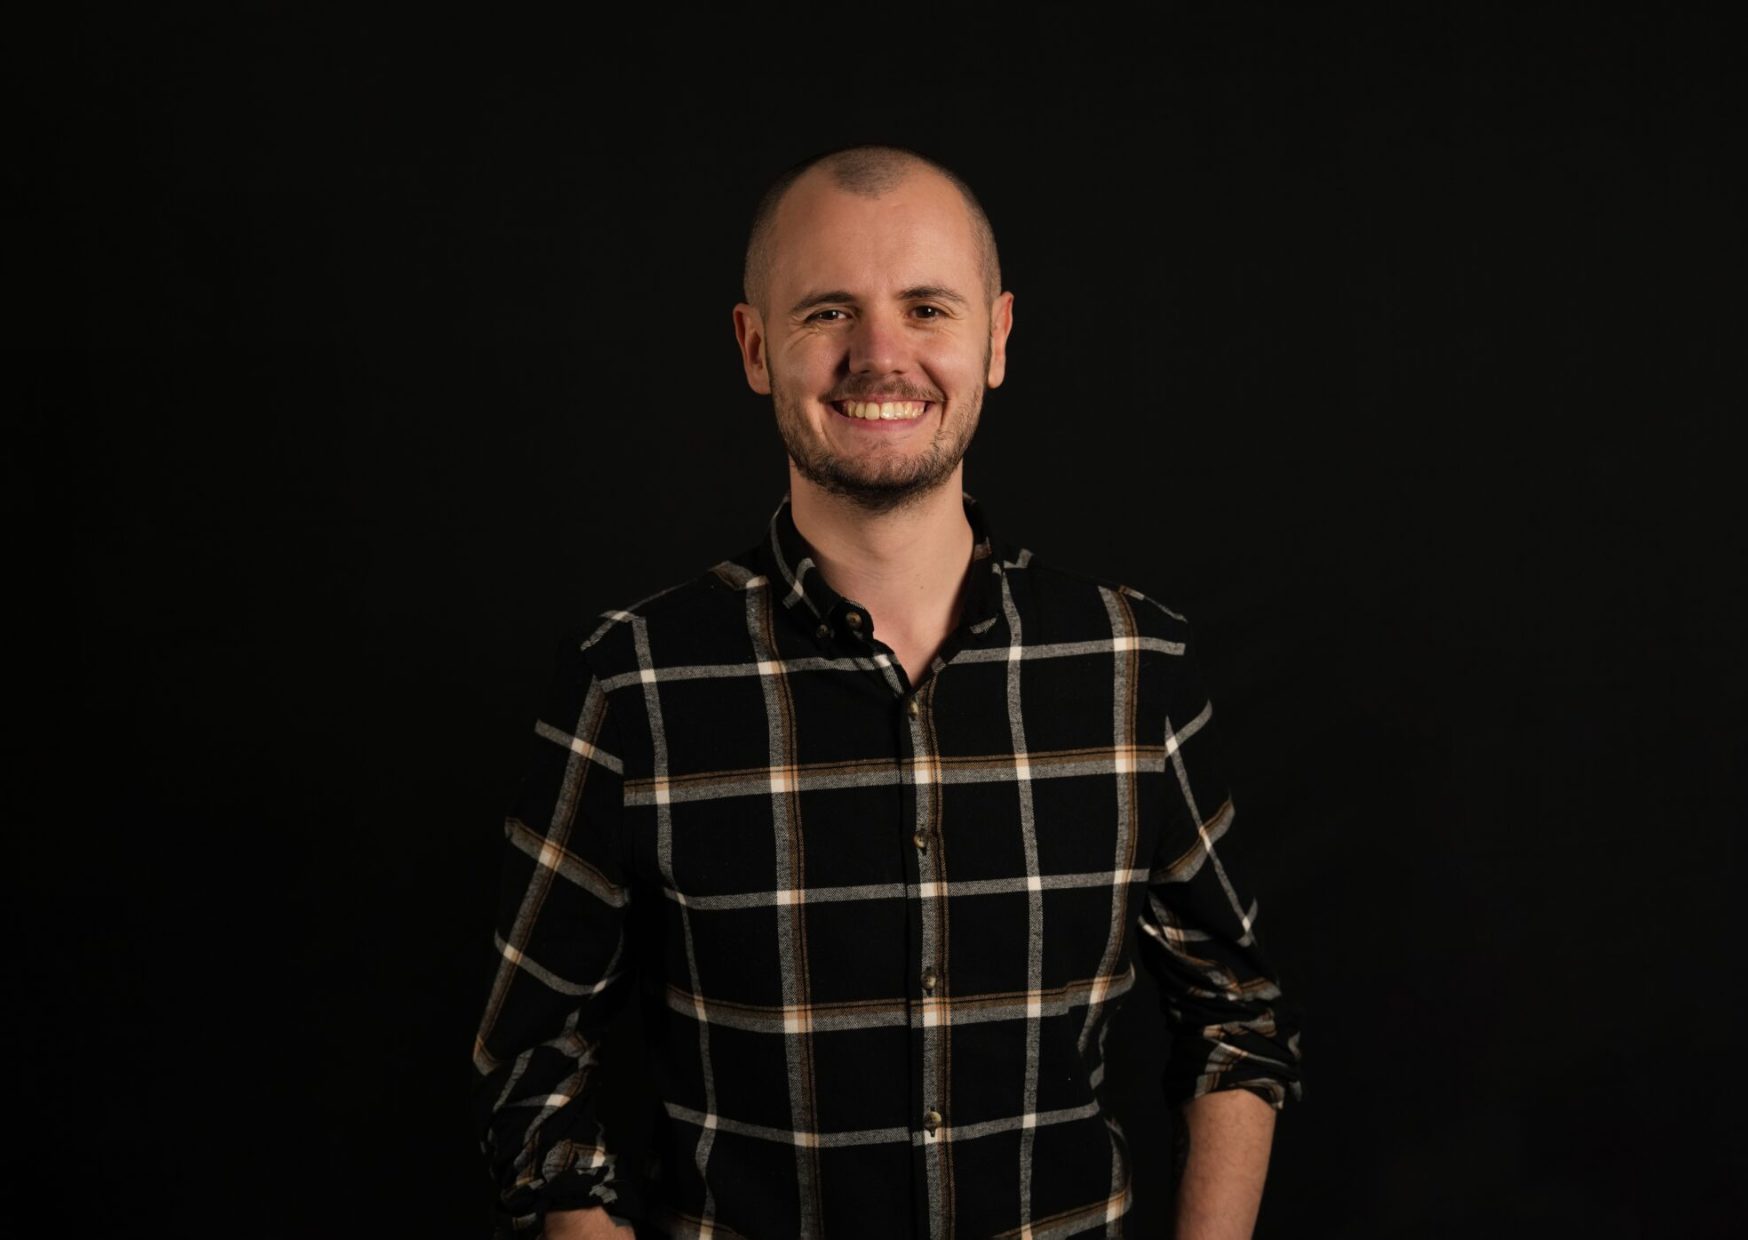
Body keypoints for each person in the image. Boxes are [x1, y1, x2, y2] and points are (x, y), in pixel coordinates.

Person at [473, 143, 1303, 1240]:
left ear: (996, 338)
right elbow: (528, 1057)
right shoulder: (628, 684)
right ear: (754, 346)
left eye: (925, 308)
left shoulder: (1132, 666)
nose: (880, 355)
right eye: (827, 311)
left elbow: (1232, 1014)